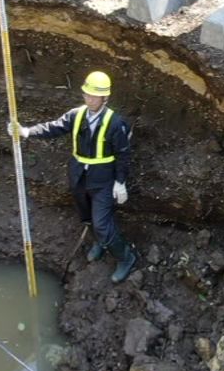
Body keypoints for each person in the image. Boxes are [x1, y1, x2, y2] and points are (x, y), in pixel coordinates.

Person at [13, 71, 139, 283]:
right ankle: (100, 243)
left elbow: (123, 155)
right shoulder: (76, 115)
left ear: (105, 98)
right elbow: (54, 127)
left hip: (103, 181)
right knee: (86, 216)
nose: (89, 99)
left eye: (94, 96)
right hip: (79, 176)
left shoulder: (115, 123)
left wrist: (120, 182)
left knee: (102, 223)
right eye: (87, 94)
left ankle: (126, 257)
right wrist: (26, 132)